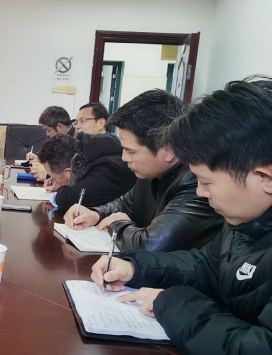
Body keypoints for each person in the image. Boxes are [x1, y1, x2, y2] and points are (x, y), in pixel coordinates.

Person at [90, 77, 272, 355]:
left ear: (264, 178)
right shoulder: (245, 221)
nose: (200, 192)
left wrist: (171, 303)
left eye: (207, 182)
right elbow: (205, 265)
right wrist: (135, 267)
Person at [64, 89, 223, 252]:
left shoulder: (197, 182)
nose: (124, 157)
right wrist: (95, 214)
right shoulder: (150, 172)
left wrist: (117, 224)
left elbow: (152, 243)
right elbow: (125, 204)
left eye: (131, 151)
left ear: (169, 149)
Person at [37, 132, 136, 211]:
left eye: (54, 178)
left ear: (68, 172)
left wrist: (60, 189)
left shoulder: (109, 170)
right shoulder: (90, 150)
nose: (53, 181)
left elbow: (69, 201)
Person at [28, 106, 73, 181]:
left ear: (59, 126)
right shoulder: (59, 138)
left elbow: (73, 172)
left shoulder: (77, 142)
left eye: (48, 130)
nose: (47, 134)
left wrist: (49, 175)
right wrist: (39, 158)